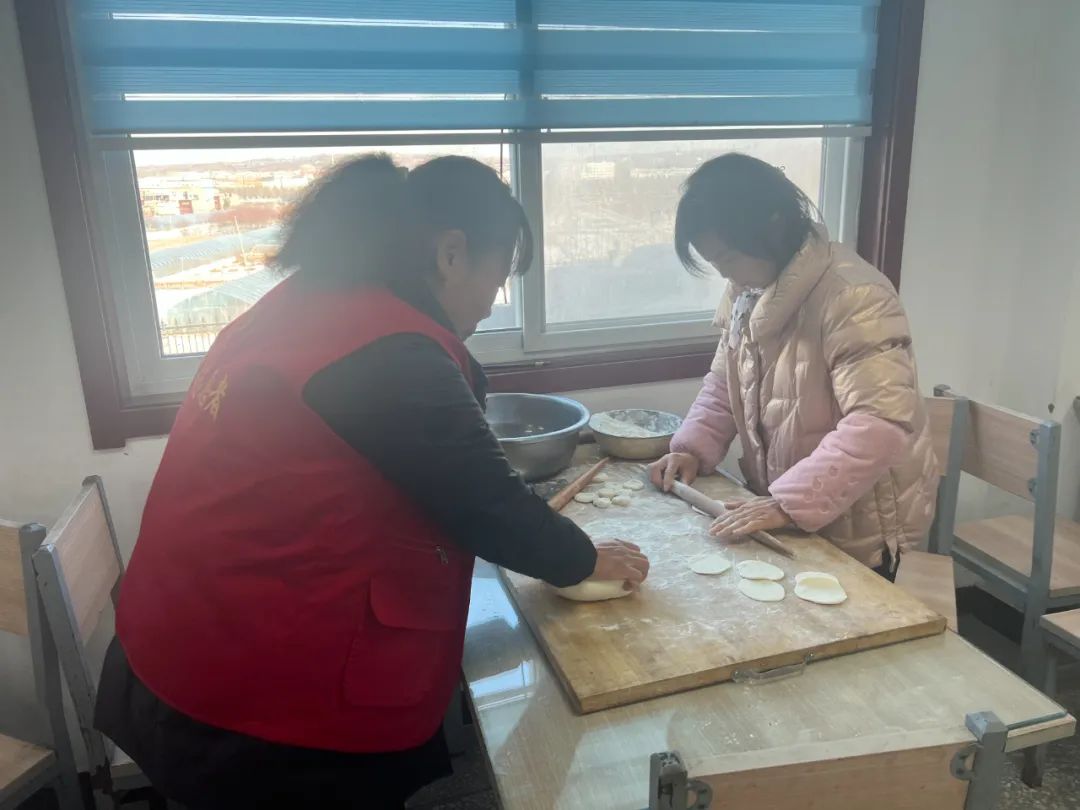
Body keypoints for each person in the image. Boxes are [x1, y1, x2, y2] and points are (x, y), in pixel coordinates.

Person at [94, 155, 649, 810]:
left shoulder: (307, 304)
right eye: (497, 279)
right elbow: (485, 504)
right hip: (252, 699)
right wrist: (583, 559)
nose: (491, 303)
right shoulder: (383, 349)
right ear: (451, 253)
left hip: (178, 646)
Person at [649, 153, 937, 577]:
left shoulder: (853, 296)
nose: (726, 274)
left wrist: (789, 503)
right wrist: (690, 449)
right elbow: (726, 382)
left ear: (773, 226)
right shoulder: (748, 289)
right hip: (790, 507)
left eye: (728, 257)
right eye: (715, 263)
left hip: (860, 523)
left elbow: (879, 424)